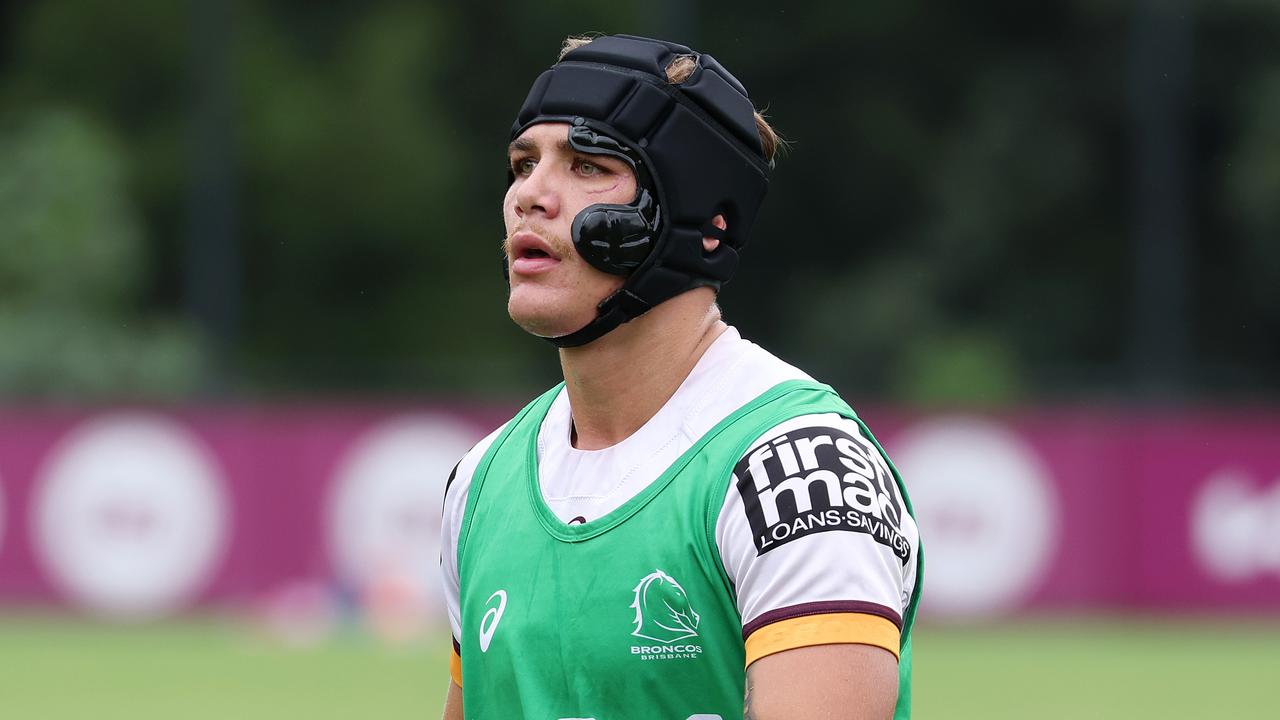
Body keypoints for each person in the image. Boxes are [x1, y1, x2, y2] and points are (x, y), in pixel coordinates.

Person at [439, 34, 921, 720]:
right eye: (523, 164)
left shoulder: (798, 470)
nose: (530, 195)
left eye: (588, 165)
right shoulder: (481, 481)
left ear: (708, 224)